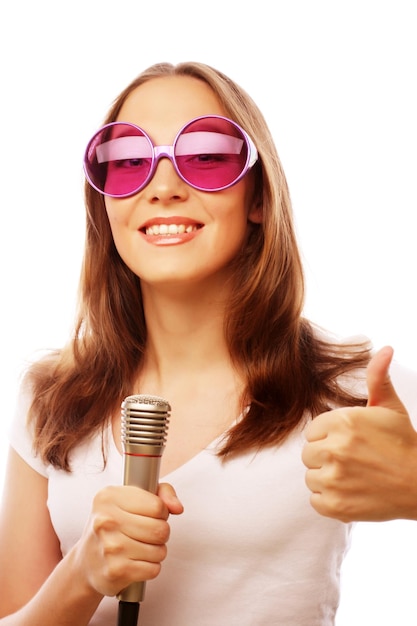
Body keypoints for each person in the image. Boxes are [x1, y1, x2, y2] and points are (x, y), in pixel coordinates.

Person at [0, 61, 416, 626]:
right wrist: (81, 576)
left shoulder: (353, 387)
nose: (163, 187)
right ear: (105, 205)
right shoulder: (50, 396)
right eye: (127, 162)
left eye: (207, 156)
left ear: (259, 198)